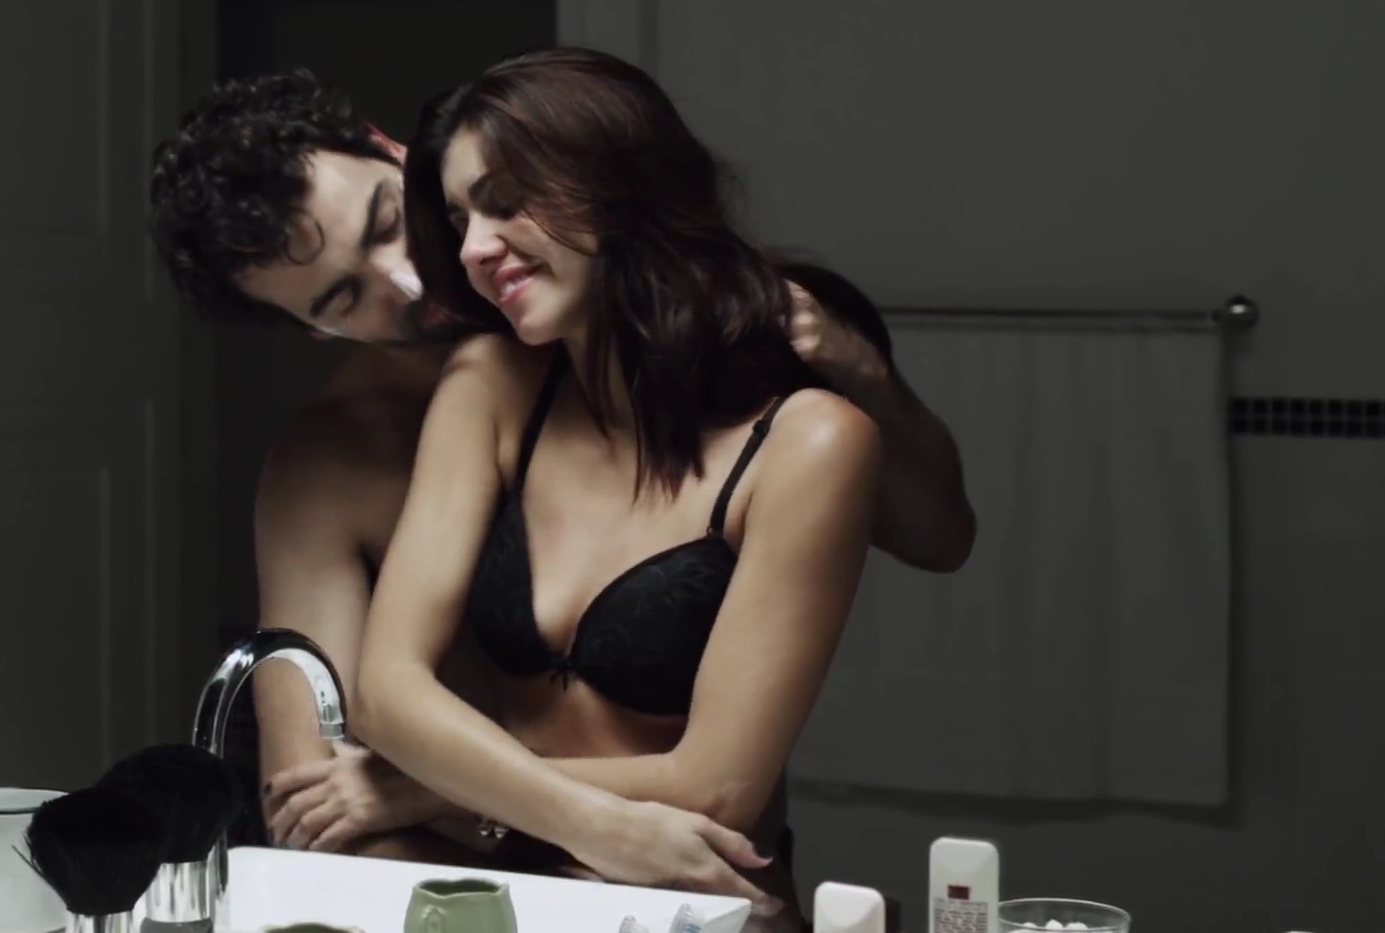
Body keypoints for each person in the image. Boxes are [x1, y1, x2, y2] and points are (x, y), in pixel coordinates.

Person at [148, 66, 975, 872]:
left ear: (397, 151)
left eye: (388, 222)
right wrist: (534, 855)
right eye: (341, 298)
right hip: (483, 883)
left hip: (694, 875)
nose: (410, 278)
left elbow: (940, 540)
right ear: (313, 330)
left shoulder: (754, 367)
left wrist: (868, 379)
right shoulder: (347, 456)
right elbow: (317, 802)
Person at [348, 45, 889, 925]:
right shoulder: (490, 385)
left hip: (690, 908)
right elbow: (386, 691)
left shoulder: (810, 445)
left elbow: (716, 788)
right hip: (500, 889)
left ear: (615, 184)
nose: (475, 249)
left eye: (505, 201)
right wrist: (579, 821)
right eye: (459, 218)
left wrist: (437, 789)